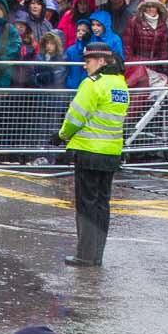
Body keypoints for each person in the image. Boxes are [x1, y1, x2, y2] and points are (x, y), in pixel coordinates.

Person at [51, 41, 125, 268]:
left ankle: (85, 254)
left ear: (101, 60)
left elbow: (75, 117)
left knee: (86, 205)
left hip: (89, 152)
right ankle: (97, 255)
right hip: (111, 153)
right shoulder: (120, 84)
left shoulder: (92, 84)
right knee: (102, 204)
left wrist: (62, 136)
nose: (85, 65)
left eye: (88, 60)